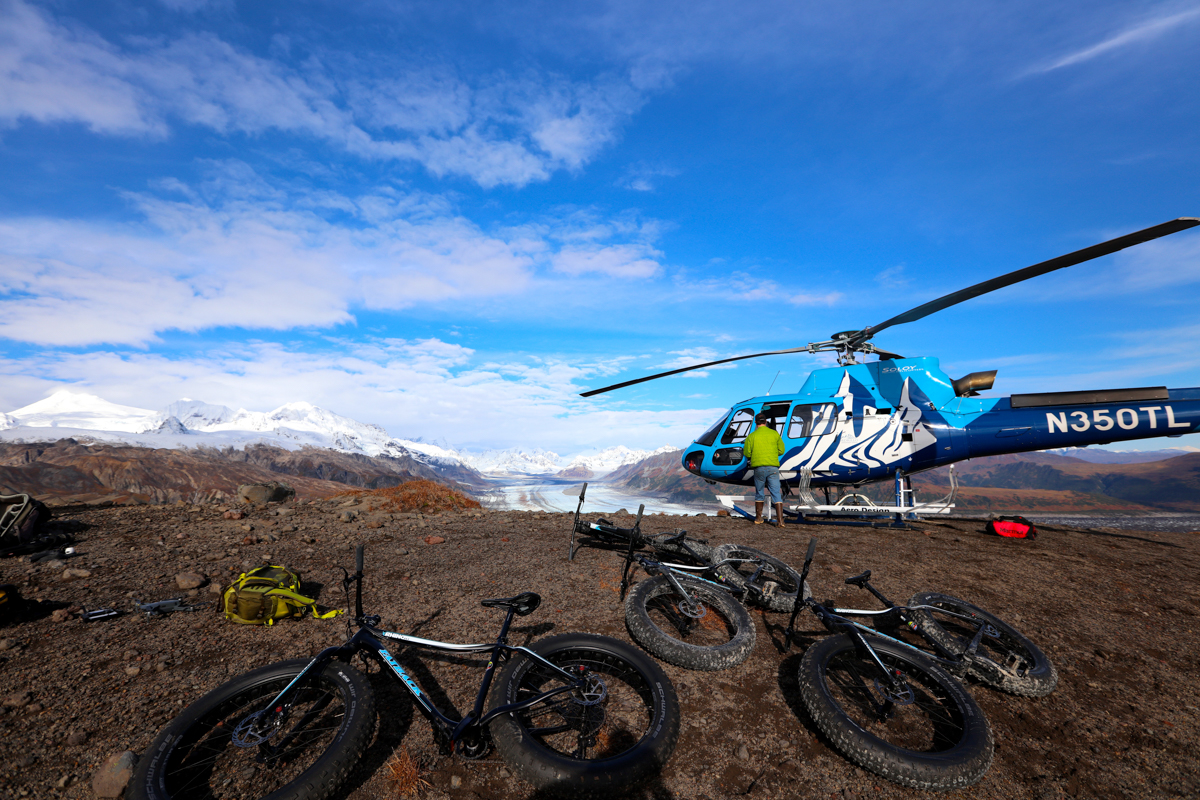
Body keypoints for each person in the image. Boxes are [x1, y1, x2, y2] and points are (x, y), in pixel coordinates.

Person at [741, 411, 785, 526]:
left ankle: (758, 518)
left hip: (759, 468)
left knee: (759, 492)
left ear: (756, 422)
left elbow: (747, 453)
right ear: (766, 422)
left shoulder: (751, 436)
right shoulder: (774, 434)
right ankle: (780, 521)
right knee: (776, 493)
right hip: (773, 467)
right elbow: (781, 450)